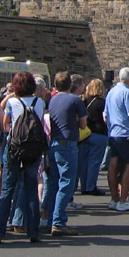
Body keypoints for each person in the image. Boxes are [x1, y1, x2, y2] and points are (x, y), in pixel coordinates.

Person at [0, 72, 45, 244]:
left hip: (15, 148)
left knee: (8, 189)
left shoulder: (12, 102)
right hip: (34, 148)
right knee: (31, 189)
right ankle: (33, 231)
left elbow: (5, 124)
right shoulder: (40, 102)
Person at [43, 71, 88, 236]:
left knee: (53, 183)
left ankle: (50, 219)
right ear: (70, 84)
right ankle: (58, 221)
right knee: (67, 183)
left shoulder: (53, 100)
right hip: (68, 143)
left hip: (54, 142)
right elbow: (83, 124)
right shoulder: (75, 100)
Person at [104, 67, 129, 212]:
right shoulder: (127, 93)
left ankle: (114, 198)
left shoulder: (111, 92)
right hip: (125, 133)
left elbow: (105, 115)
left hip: (113, 132)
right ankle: (123, 199)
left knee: (113, 164)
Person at [78, 79, 108, 195]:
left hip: (85, 133)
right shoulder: (102, 102)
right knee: (94, 162)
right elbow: (106, 118)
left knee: (84, 162)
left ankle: (84, 186)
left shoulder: (84, 101)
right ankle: (91, 186)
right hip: (99, 133)